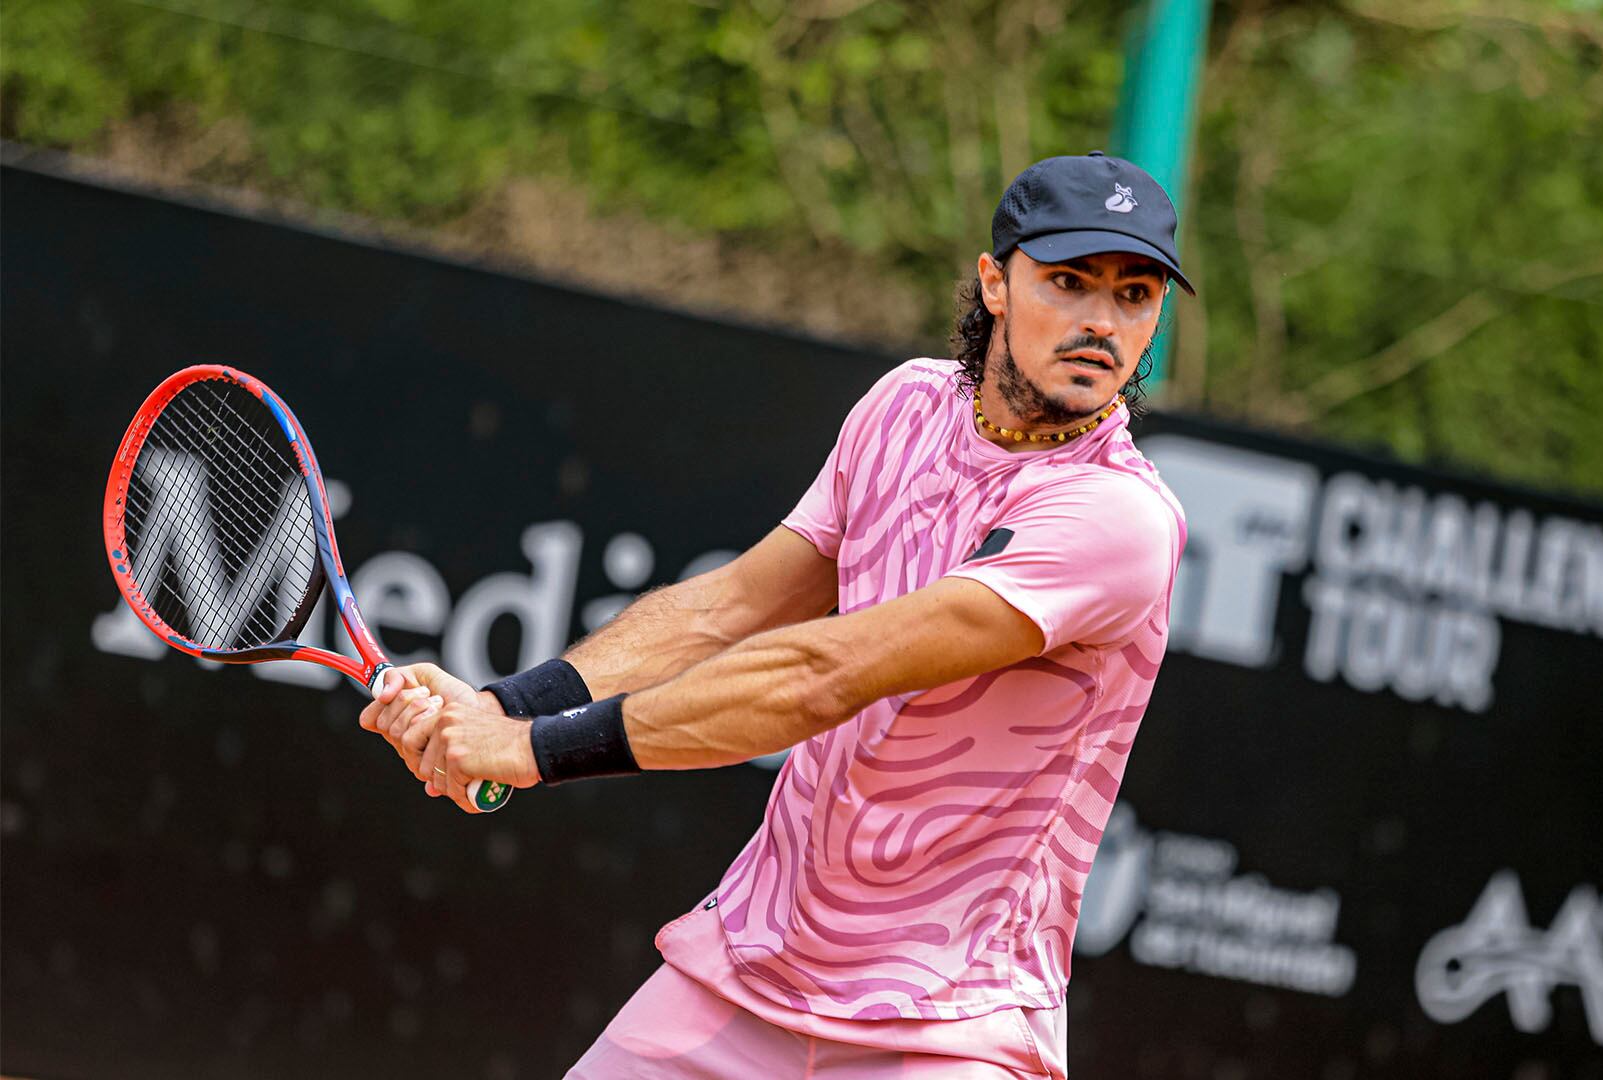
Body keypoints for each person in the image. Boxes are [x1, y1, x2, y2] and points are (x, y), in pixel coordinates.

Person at [361, 151, 1192, 1078]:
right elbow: (735, 603)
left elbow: (823, 674)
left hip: (948, 1029)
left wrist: (527, 751)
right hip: (744, 969)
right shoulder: (906, 406)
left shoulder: (1119, 519)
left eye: (1134, 295)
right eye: (1069, 282)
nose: (1100, 323)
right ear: (996, 284)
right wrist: (507, 704)